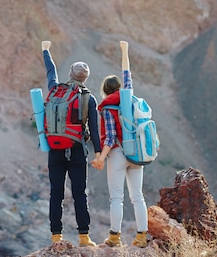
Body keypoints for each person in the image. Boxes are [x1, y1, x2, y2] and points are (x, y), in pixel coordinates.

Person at [41, 40, 101, 247]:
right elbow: (94, 129)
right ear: (85, 78)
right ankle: (84, 237)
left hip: (55, 149)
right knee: (79, 193)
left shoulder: (55, 89)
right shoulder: (89, 98)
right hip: (76, 150)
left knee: (55, 192)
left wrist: (46, 50)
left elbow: (50, 71)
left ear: (71, 74)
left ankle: (56, 237)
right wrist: (99, 154)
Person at [91, 41, 149, 248]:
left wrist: (100, 158)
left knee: (117, 198)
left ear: (104, 92)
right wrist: (124, 50)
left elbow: (110, 137)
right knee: (138, 197)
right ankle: (141, 237)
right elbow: (127, 74)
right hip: (137, 153)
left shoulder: (107, 107)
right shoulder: (129, 98)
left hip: (117, 155)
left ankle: (114, 237)